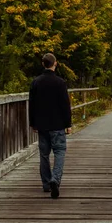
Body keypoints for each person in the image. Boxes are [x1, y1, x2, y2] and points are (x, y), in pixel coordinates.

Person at [28, 53, 72, 199]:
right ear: (55, 64)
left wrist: (32, 123)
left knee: (44, 154)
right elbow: (65, 105)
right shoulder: (60, 83)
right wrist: (68, 124)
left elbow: (32, 105)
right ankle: (55, 179)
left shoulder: (36, 82)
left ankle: (46, 184)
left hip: (42, 125)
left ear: (43, 64)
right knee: (59, 152)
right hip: (58, 125)